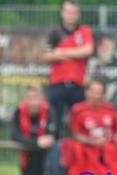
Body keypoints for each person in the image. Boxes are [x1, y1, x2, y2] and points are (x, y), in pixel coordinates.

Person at [43, 0, 94, 138]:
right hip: (57, 83)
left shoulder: (84, 31)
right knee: (55, 122)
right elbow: (47, 55)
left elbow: (87, 50)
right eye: (68, 12)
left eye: (74, 12)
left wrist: (61, 52)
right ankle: (55, 154)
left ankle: (76, 156)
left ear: (78, 15)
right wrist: (75, 52)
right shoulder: (54, 33)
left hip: (78, 84)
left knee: (78, 123)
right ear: (62, 13)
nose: (70, 15)